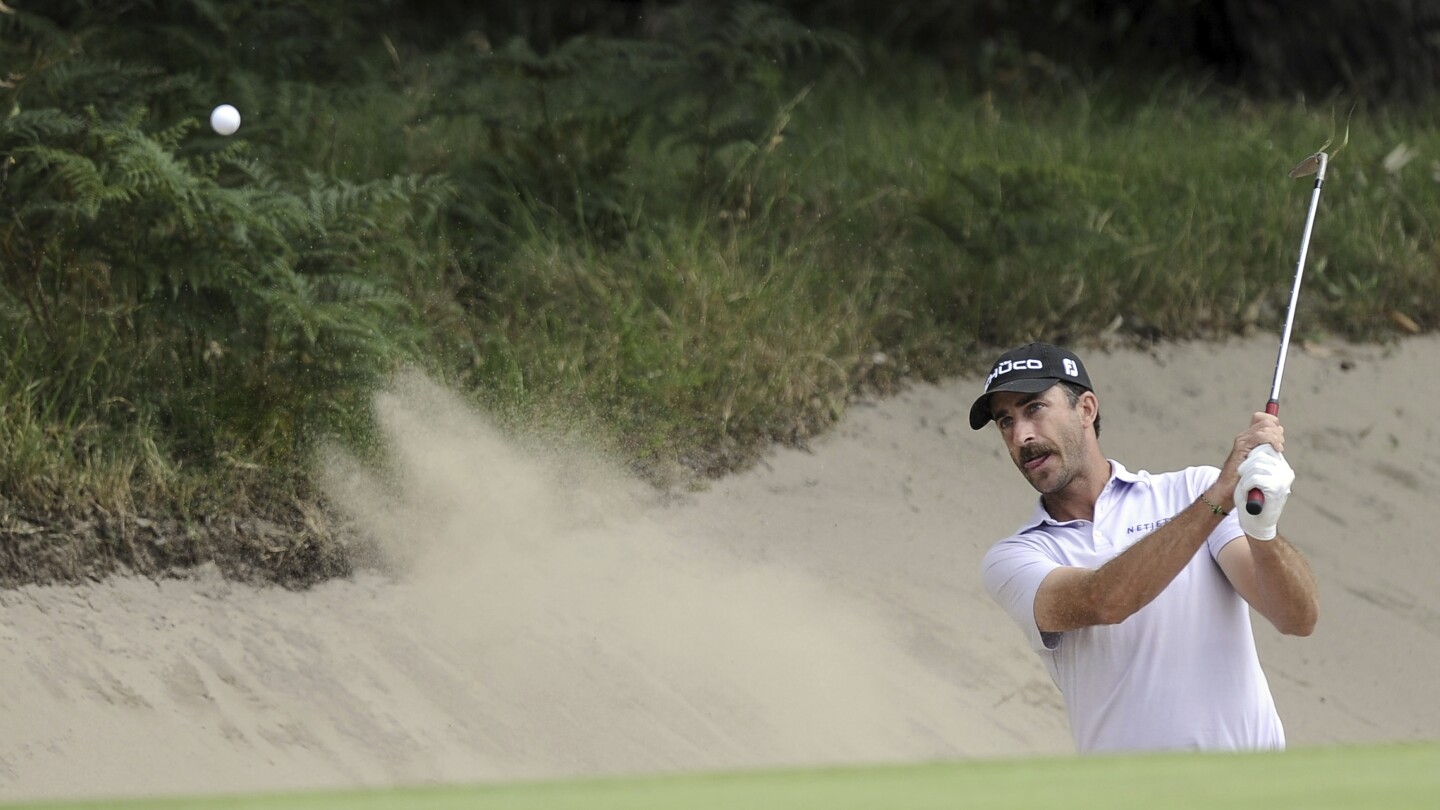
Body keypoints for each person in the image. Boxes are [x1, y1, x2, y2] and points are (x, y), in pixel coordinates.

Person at [972, 342, 1319, 753]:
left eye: (1034, 409)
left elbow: (1296, 618)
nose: (1021, 435)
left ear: (1086, 409)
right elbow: (1106, 600)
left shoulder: (1190, 490)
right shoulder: (1015, 557)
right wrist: (1217, 499)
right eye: (1005, 421)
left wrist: (1263, 532)